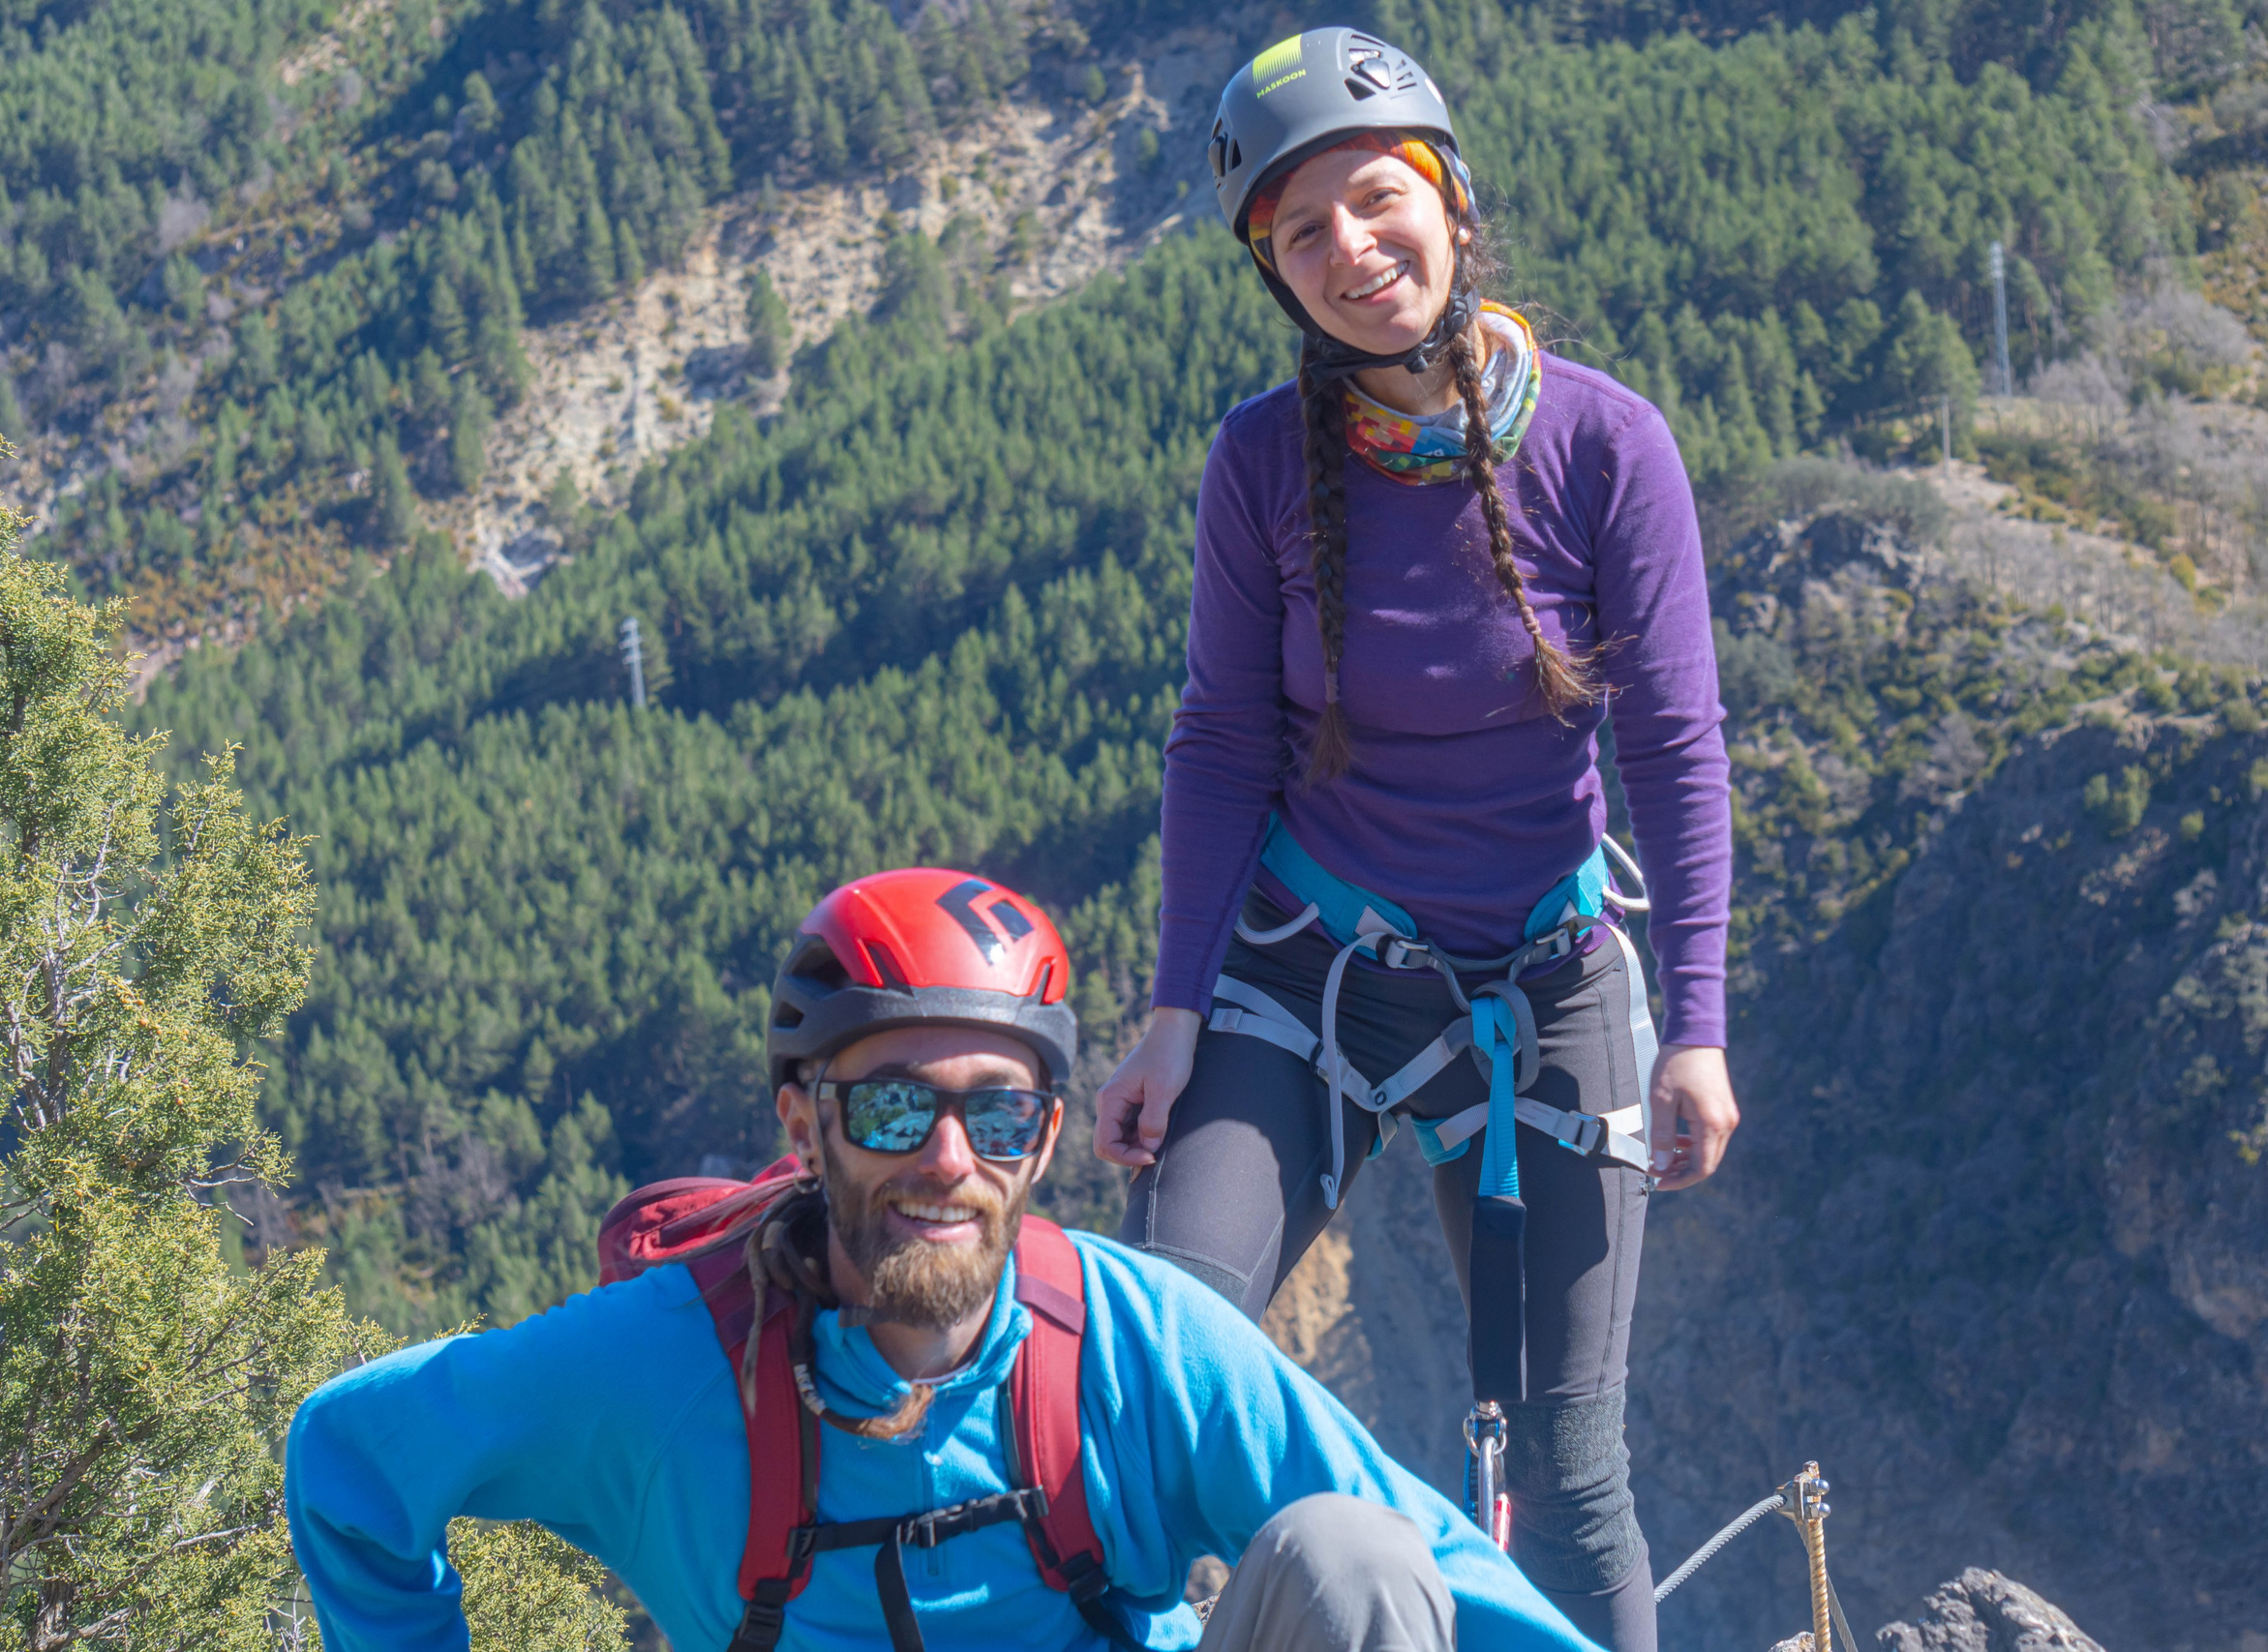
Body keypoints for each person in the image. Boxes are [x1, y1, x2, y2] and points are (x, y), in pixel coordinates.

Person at [1094, 29, 1739, 1652]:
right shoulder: (1262, 464)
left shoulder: (1604, 447)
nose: (1352, 249)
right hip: (1309, 971)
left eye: (1378, 200)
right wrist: (1173, 1017)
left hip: (1547, 988)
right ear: (1274, 274)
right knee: (1155, 1366)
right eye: (1302, 231)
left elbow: (1674, 747)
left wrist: (1698, 1026)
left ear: (1451, 200)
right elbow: (1222, 740)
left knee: (1563, 1467)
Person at [286, 867, 1603, 1652]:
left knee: (1354, 1558)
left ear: (1045, 1142)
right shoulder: (669, 1368)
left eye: (1000, 1112)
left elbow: (1442, 1575)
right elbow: (349, 1457)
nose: (948, 1158)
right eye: (892, 1108)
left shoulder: (1129, 1343)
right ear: (804, 1124)